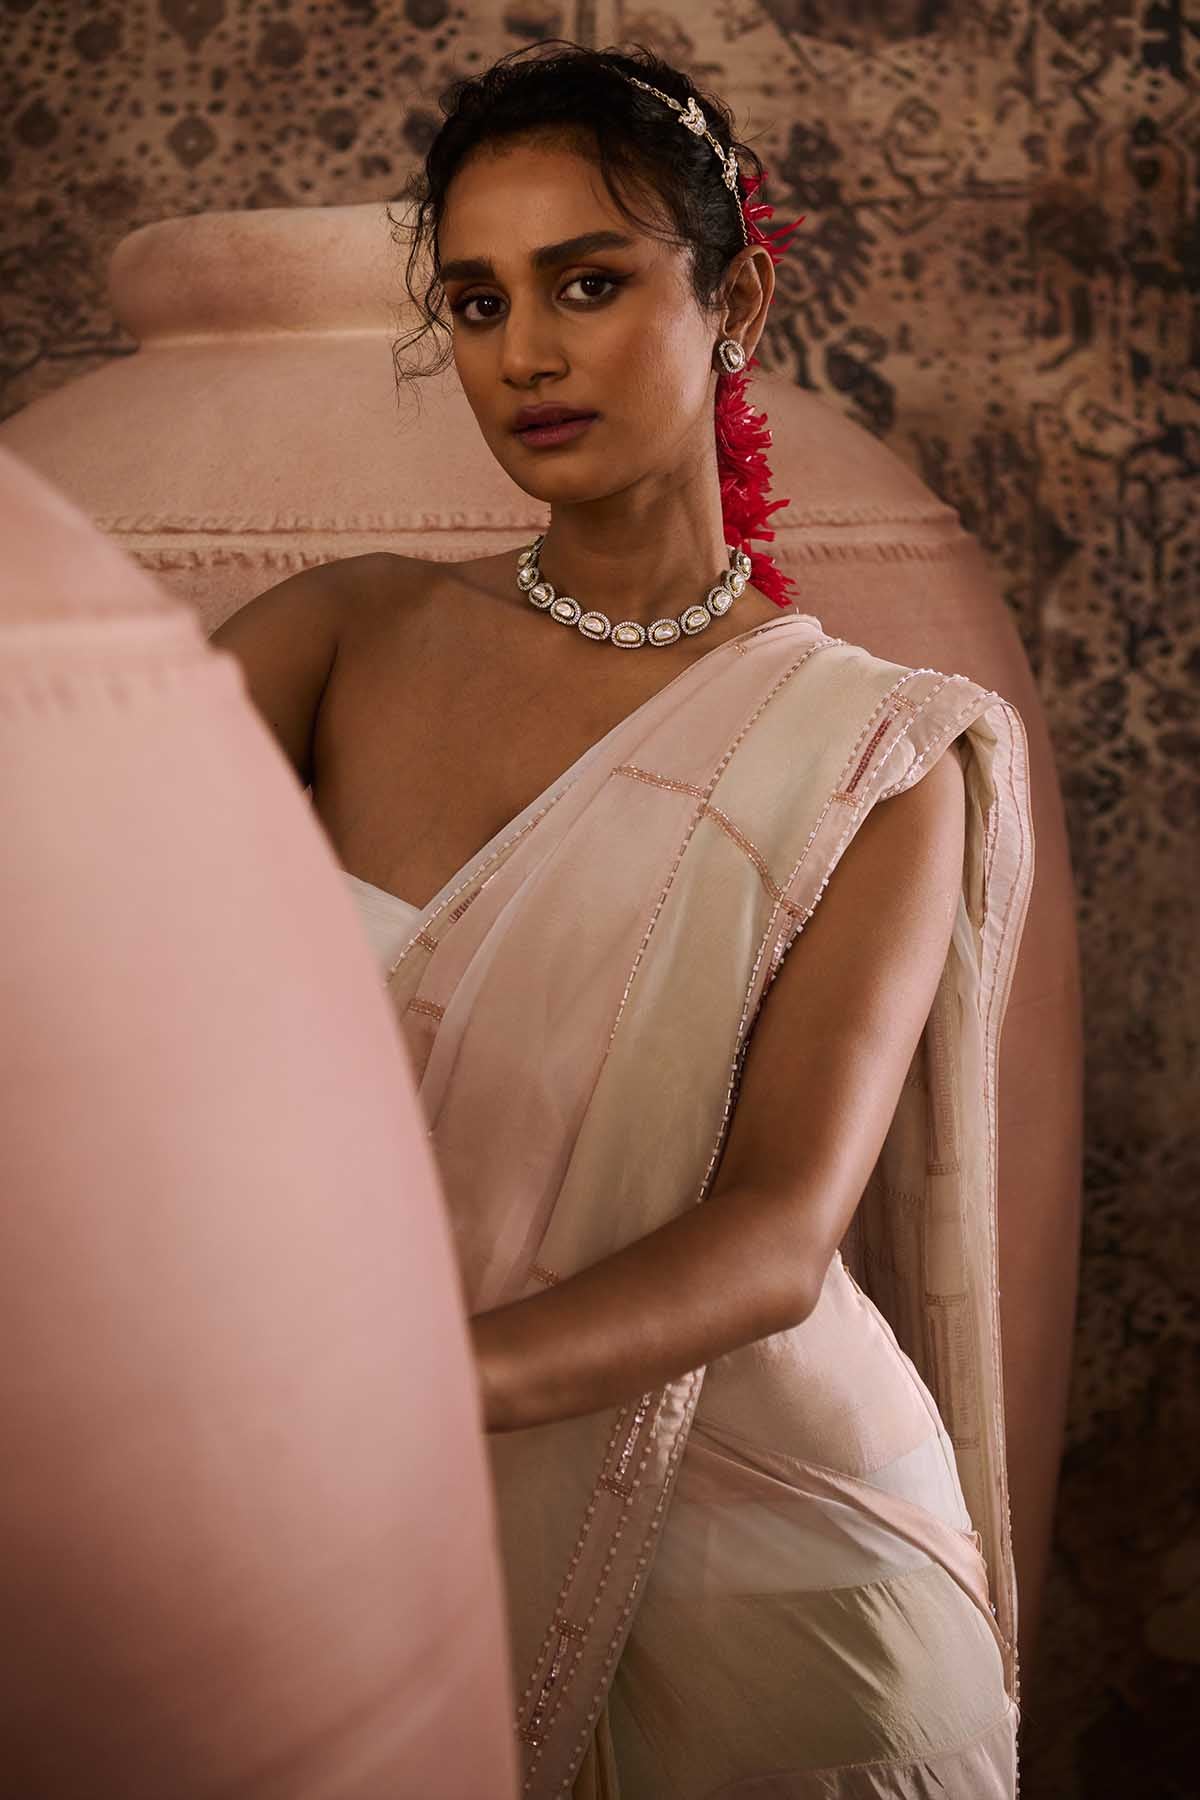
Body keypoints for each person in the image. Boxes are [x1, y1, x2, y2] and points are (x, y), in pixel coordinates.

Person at [210, 42, 1032, 1798]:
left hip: (773, 1572)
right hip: (351, 1518)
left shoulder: (874, 750)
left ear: (734, 301)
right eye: (479, 299)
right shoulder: (333, 642)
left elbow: (775, 1238)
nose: (526, 352)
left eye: (591, 282)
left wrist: (389, 1396)